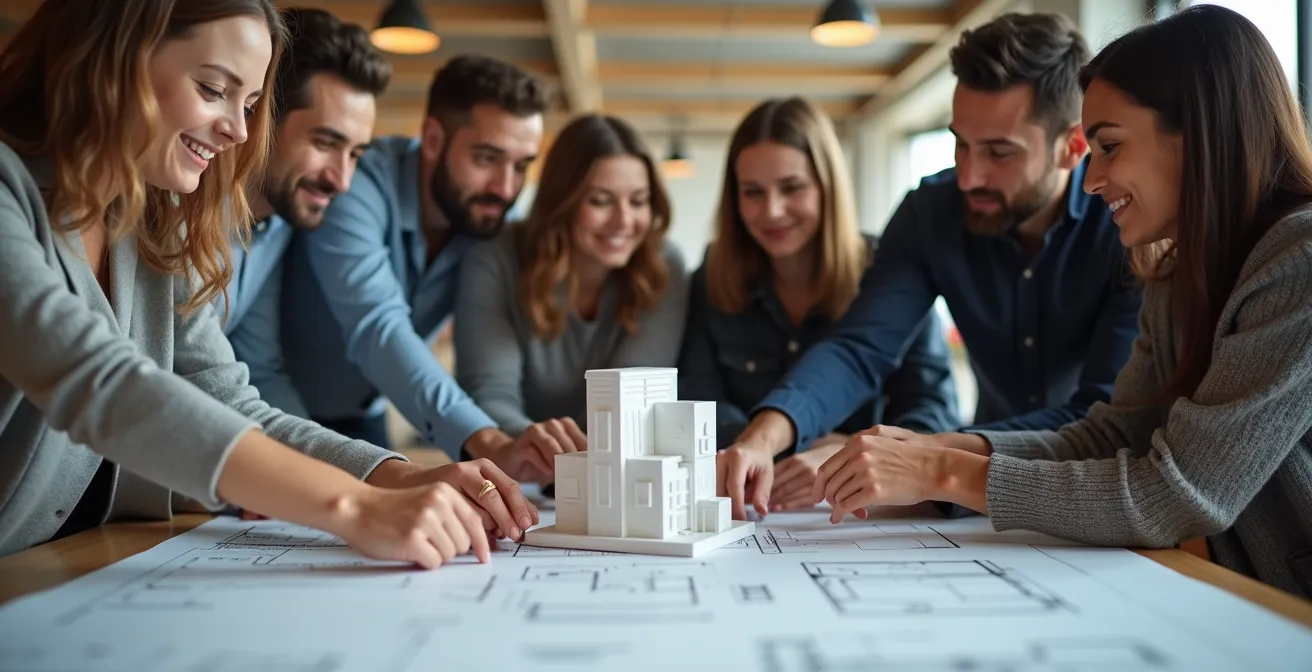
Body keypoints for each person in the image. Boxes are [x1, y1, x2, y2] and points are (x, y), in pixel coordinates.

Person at [0, 0, 537, 567]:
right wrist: (353, 507)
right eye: (212, 89)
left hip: (74, 565)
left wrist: (396, 476)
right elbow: (97, 383)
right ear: (112, 60)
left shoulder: (149, 224)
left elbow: (231, 402)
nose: (238, 130)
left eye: (251, 103)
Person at [812, 4, 1312, 599]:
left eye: (1109, 146)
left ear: (1200, 136)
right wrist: (931, 450)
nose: (1093, 178)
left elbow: (1178, 495)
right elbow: (1111, 437)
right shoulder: (1174, 270)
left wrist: (940, 470)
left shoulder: (1298, 259)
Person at [717, 13, 1142, 520]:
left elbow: (1100, 417)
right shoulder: (930, 213)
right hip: (978, 500)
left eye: (998, 153)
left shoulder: (1127, 224)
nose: (968, 176)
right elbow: (859, 348)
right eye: (960, 143)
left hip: (1096, 497)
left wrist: (921, 457)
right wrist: (764, 437)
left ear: (1072, 146)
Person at [278, 54, 556, 480]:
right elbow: (378, 325)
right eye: (486, 158)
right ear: (432, 139)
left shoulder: (490, 222)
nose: (505, 188)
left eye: (521, 166)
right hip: (275, 408)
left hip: (367, 420)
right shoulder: (357, 184)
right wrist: (486, 439)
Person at [677, 97, 959, 513]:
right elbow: (697, 407)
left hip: (867, 510)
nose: (771, 210)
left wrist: (847, 452)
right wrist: (790, 445)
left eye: (792, 188)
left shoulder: (888, 271)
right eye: (753, 192)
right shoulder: (711, 278)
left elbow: (932, 413)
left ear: (828, 187)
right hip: (756, 504)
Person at [454, 114, 689, 479]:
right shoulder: (495, 258)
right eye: (600, 201)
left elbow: (630, 402)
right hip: (517, 473)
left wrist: (577, 459)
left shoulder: (663, 267)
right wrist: (529, 444)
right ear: (561, 202)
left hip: (611, 475)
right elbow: (490, 392)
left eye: (639, 201)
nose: (623, 221)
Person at [220, 7, 390, 419]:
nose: (342, 179)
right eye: (325, 142)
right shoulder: (184, 209)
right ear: (262, 115)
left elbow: (261, 370)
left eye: (354, 154)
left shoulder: (278, 227)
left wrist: (351, 473)